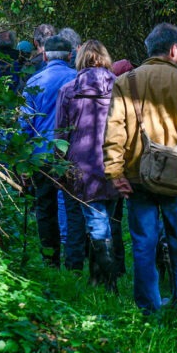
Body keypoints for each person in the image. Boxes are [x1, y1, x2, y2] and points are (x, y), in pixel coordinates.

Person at [103, 24, 177, 317]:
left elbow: (114, 130)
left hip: (137, 176)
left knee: (143, 246)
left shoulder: (126, 82)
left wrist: (114, 172)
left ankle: (148, 310)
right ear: (174, 50)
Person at [55, 40, 123, 291]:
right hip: (115, 160)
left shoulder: (69, 89)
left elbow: (61, 133)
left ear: (81, 59)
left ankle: (109, 285)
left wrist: (59, 166)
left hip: (81, 164)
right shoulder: (120, 87)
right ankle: (100, 281)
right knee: (105, 218)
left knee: (96, 222)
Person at [20, 35, 85, 269]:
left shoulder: (35, 81)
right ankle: (75, 263)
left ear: (45, 55)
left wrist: (21, 156)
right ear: (70, 56)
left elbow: (24, 123)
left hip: (42, 153)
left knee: (45, 207)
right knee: (74, 205)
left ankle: (50, 260)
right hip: (73, 151)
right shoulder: (79, 79)